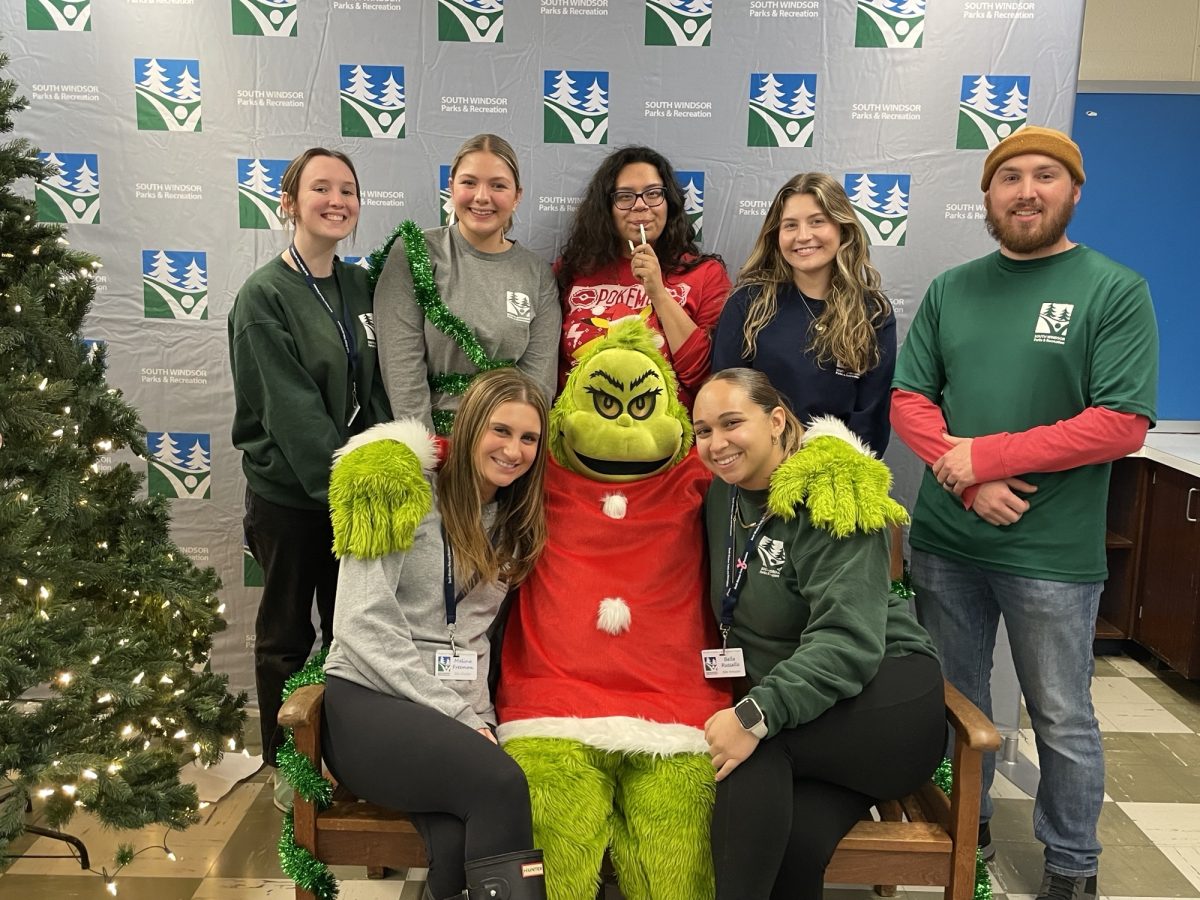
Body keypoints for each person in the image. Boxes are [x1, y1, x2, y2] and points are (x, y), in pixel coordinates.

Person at [891, 126, 1158, 900]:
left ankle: (1071, 866)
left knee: (1061, 716)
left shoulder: (1114, 289)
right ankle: (960, 833)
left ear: (1074, 191)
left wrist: (990, 456)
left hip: (1052, 553)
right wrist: (969, 481)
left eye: (1046, 176)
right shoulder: (952, 288)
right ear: (988, 197)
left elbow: (1121, 421)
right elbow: (911, 400)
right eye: (1009, 178)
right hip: (948, 539)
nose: (1026, 191)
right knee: (954, 701)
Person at [693, 368, 944, 900]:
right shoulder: (725, 494)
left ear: (777, 420)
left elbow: (847, 642)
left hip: (885, 695)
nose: (717, 443)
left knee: (752, 751)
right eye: (702, 430)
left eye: (732, 423)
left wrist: (755, 713)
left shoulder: (833, 495)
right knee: (795, 842)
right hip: (814, 710)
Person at [322, 368, 551, 900]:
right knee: (500, 785)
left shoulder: (514, 517)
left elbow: (469, 641)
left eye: (528, 438)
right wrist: (460, 719)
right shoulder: (400, 488)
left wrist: (476, 717)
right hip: (370, 697)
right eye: (501, 430)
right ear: (470, 426)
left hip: (449, 708)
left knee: (457, 841)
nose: (513, 450)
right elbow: (359, 622)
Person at [228, 147, 391, 807]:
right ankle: (283, 768)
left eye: (347, 189)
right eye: (320, 188)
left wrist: (385, 463)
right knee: (288, 635)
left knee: (352, 634)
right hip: (295, 499)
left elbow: (375, 388)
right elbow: (291, 412)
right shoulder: (263, 295)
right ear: (289, 202)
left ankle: (345, 757)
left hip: (353, 494)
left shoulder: (358, 285)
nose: (336, 200)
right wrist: (347, 491)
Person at [374, 134, 560, 435]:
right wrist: (426, 459)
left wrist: (510, 447)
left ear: (517, 196)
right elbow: (402, 370)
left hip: (506, 449)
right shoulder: (413, 252)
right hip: (435, 444)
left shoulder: (536, 273)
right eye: (469, 183)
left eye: (498, 185)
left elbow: (537, 383)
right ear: (451, 187)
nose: (482, 197)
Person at [712, 173, 895, 455]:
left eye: (817, 221)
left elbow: (871, 420)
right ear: (776, 235)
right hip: (759, 470)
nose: (803, 236)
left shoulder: (873, 313)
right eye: (790, 225)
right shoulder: (748, 304)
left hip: (837, 476)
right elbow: (726, 400)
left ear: (842, 228)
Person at [557, 145, 731, 409]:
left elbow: (704, 377)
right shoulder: (572, 270)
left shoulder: (705, 274)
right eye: (625, 196)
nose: (640, 206)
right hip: (582, 432)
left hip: (667, 435)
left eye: (652, 194)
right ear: (607, 207)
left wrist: (658, 293)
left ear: (669, 203)